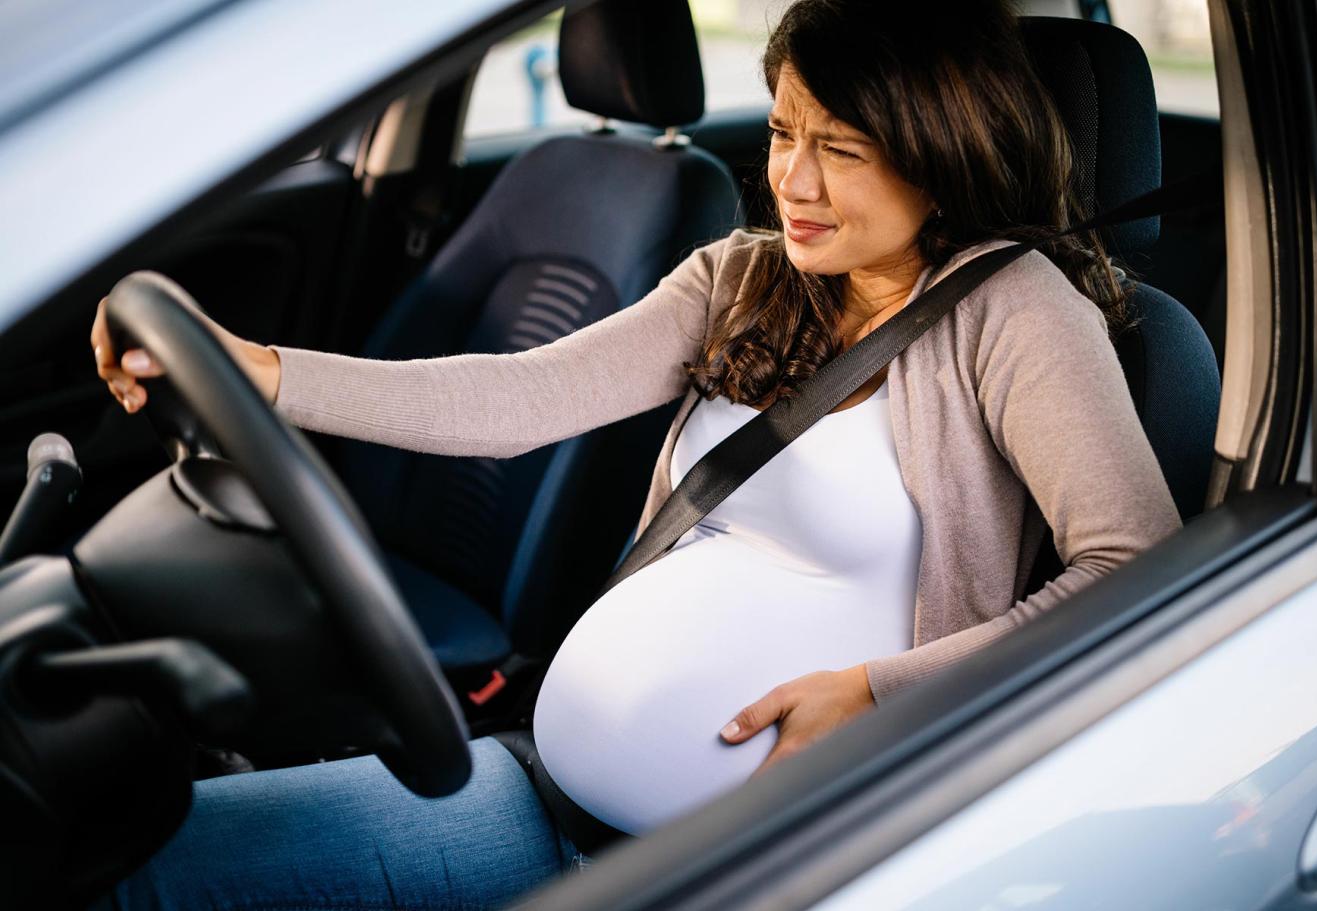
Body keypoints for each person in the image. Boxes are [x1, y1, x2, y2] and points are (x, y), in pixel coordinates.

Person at [88, 0, 1181, 907]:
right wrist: (258, 371)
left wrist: (876, 691)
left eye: (839, 149)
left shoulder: (1014, 314)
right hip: (547, 797)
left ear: (942, 156)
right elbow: (519, 397)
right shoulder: (746, 275)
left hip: (770, 864)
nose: (791, 181)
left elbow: (1135, 568)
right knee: (125, 861)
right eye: (784, 132)